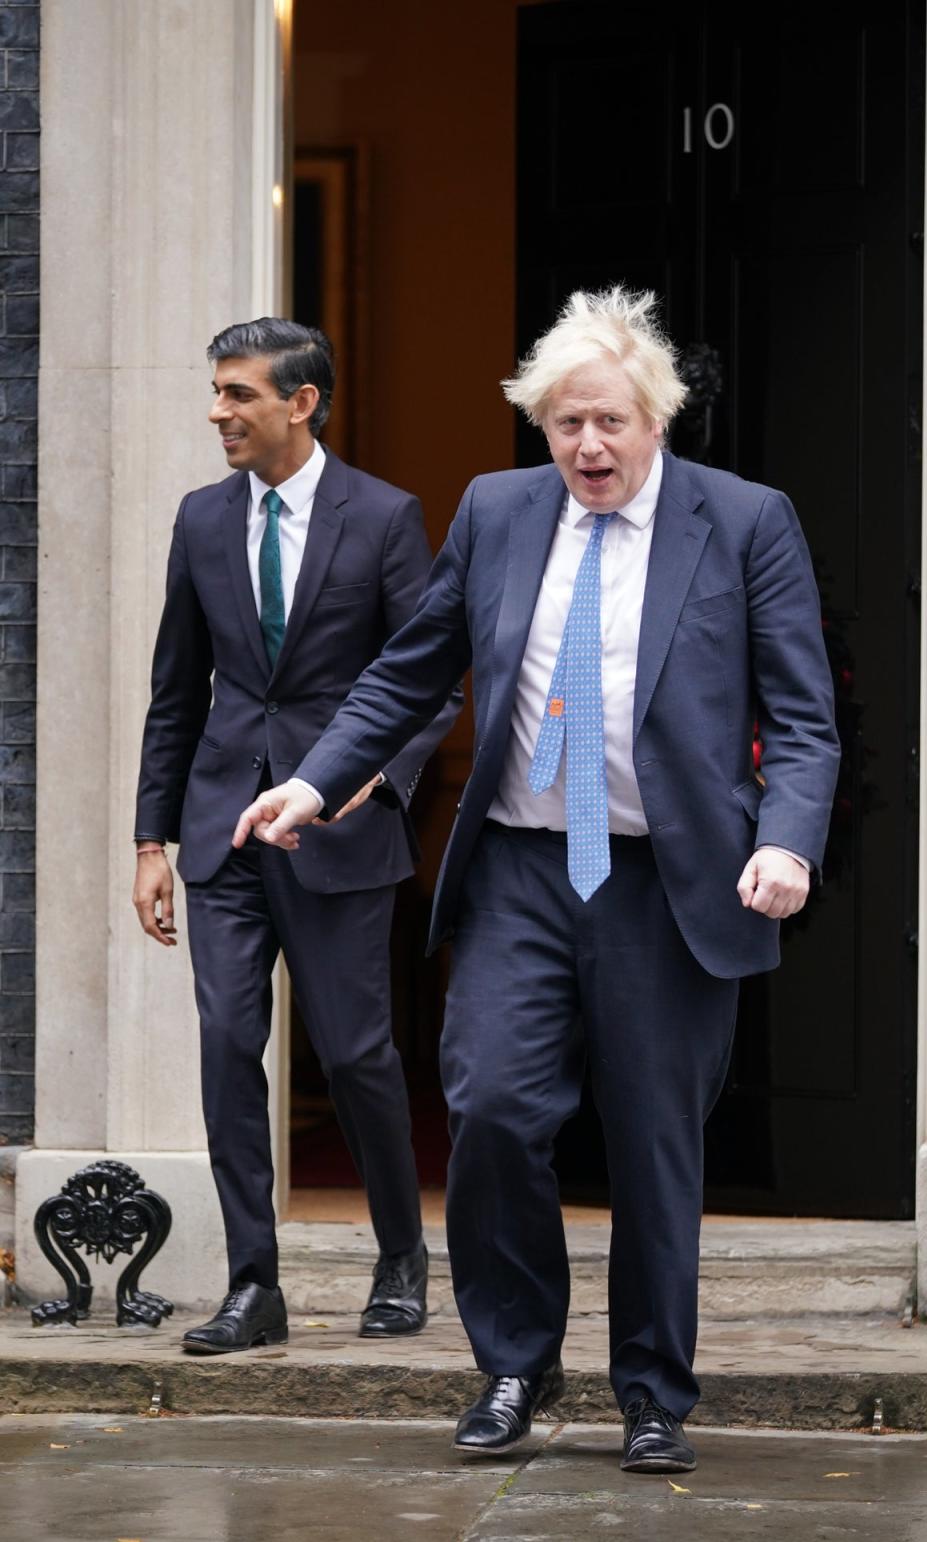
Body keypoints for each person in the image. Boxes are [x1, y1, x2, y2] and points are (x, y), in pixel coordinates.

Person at [232, 290, 839, 1470]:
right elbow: (411, 672)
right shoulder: (500, 512)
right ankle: (514, 1362)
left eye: (609, 422)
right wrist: (314, 782)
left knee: (654, 1137)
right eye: (565, 425)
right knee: (496, 1109)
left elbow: (804, 719)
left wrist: (788, 840)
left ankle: (655, 1393)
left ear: (655, 419)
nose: (589, 449)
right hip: (522, 866)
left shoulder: (746, 521)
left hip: (665, 882)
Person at [133, 318, 459, 1355]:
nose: (218, 412)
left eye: (237, 394)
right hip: (222, 829)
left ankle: (402, 1257)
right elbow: (176, 692)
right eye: (217, 393)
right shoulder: (199, 519)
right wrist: (152, 843)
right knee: (230, 1045)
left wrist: (378, 779)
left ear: (301, 402)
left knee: (360, 1053)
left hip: (339, 829)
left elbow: (432, 680)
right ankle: (253, 1284)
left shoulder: (385, 517)